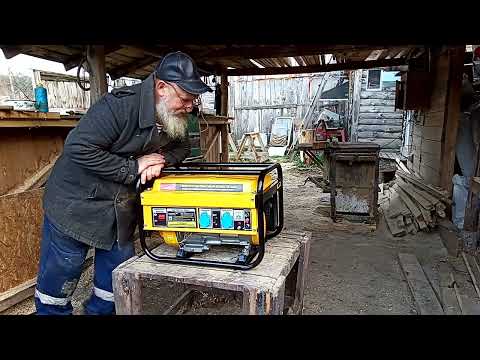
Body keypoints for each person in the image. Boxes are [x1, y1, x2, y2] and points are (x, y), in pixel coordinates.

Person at [35, 51, 212, 315]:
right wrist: (134, 167)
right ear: (162, 88)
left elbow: (183, 147)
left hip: (120, 210)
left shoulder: (173, 116)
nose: (190, 107)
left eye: (193, 100)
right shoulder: (118, 106)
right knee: (60, 281)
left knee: (115, 283)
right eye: (186, 99)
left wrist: (157, 161)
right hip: (75, 204)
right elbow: (78, 148)